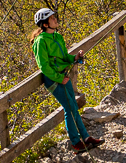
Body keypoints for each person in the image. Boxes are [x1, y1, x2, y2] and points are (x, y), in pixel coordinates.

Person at [32, 8, 102, 153]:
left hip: (63, 76)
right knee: (69, 108)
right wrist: (59, 78)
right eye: (52, 18)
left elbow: (64, 57)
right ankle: (76, 143)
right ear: (45, 24)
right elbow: (44, 66)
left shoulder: (57, 36)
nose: (55, 20)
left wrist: (75, 58)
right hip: (54, 80)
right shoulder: (40, 41)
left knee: (73, 107)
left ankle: (86, 138)